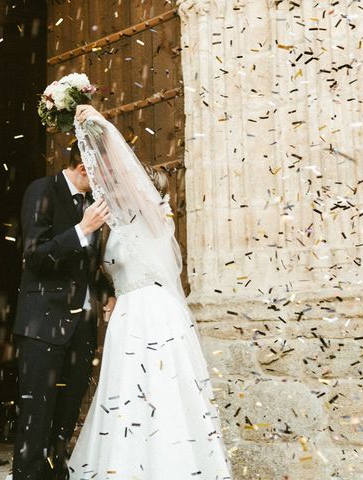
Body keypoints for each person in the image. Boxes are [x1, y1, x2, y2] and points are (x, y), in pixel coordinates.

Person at [67, 105, 233, 479]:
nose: (117, 185)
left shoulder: (153, 215)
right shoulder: (120, 223)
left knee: (159, 391)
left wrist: (99, 130)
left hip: (151, 313)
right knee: (127, 395)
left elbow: (122, 171)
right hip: (128, 312)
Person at [11, 140, 116, 480]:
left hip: (81, 328)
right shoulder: (42, 190)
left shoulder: (89, 203)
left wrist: (108, 293)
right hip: (43, 324)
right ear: (84, 169)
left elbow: (86, 268)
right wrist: (82, 229)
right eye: (99, 176)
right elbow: (34, 256)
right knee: (36, 420)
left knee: (64, 421)